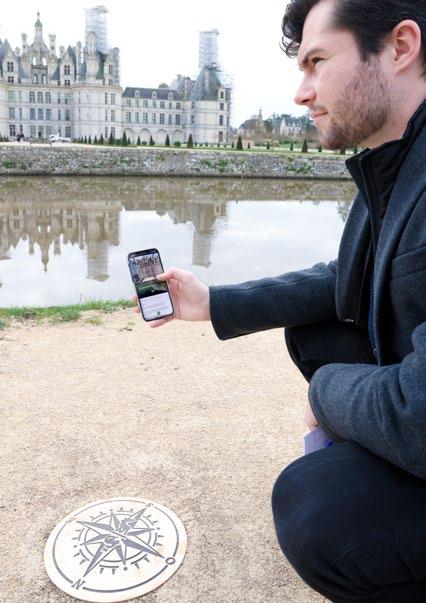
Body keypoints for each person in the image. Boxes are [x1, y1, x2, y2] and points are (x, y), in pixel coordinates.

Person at [133, 0, 426, 599]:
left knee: (315, 510)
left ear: (400, 47)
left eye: (317, 61)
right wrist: (212, 302)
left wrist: (327, 395)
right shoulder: (397, 159)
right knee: (315, 330)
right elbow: (346, 276)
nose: (302, 92)